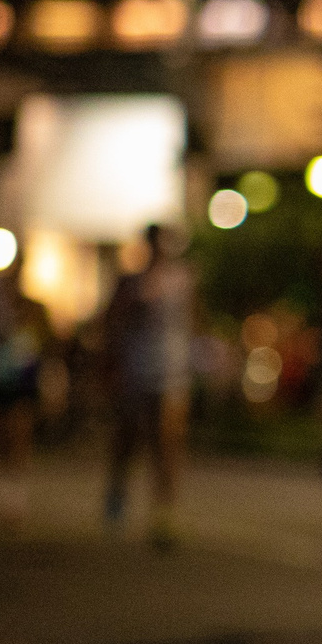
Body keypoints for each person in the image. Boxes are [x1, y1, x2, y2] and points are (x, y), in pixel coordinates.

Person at [104, 223, 196, 548]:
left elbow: (195, 321)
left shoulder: (183, 278)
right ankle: (117, 487)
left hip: (172, 372)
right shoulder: (131, 281)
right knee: (128, 436)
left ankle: (163, 514)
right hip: (137, 370)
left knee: (167, 443)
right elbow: (113, 319)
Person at [0, 240, 50, 537]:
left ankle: (12, 502)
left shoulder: (32, 305)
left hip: (20, 380)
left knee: (17, 435)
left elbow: (43, 344)